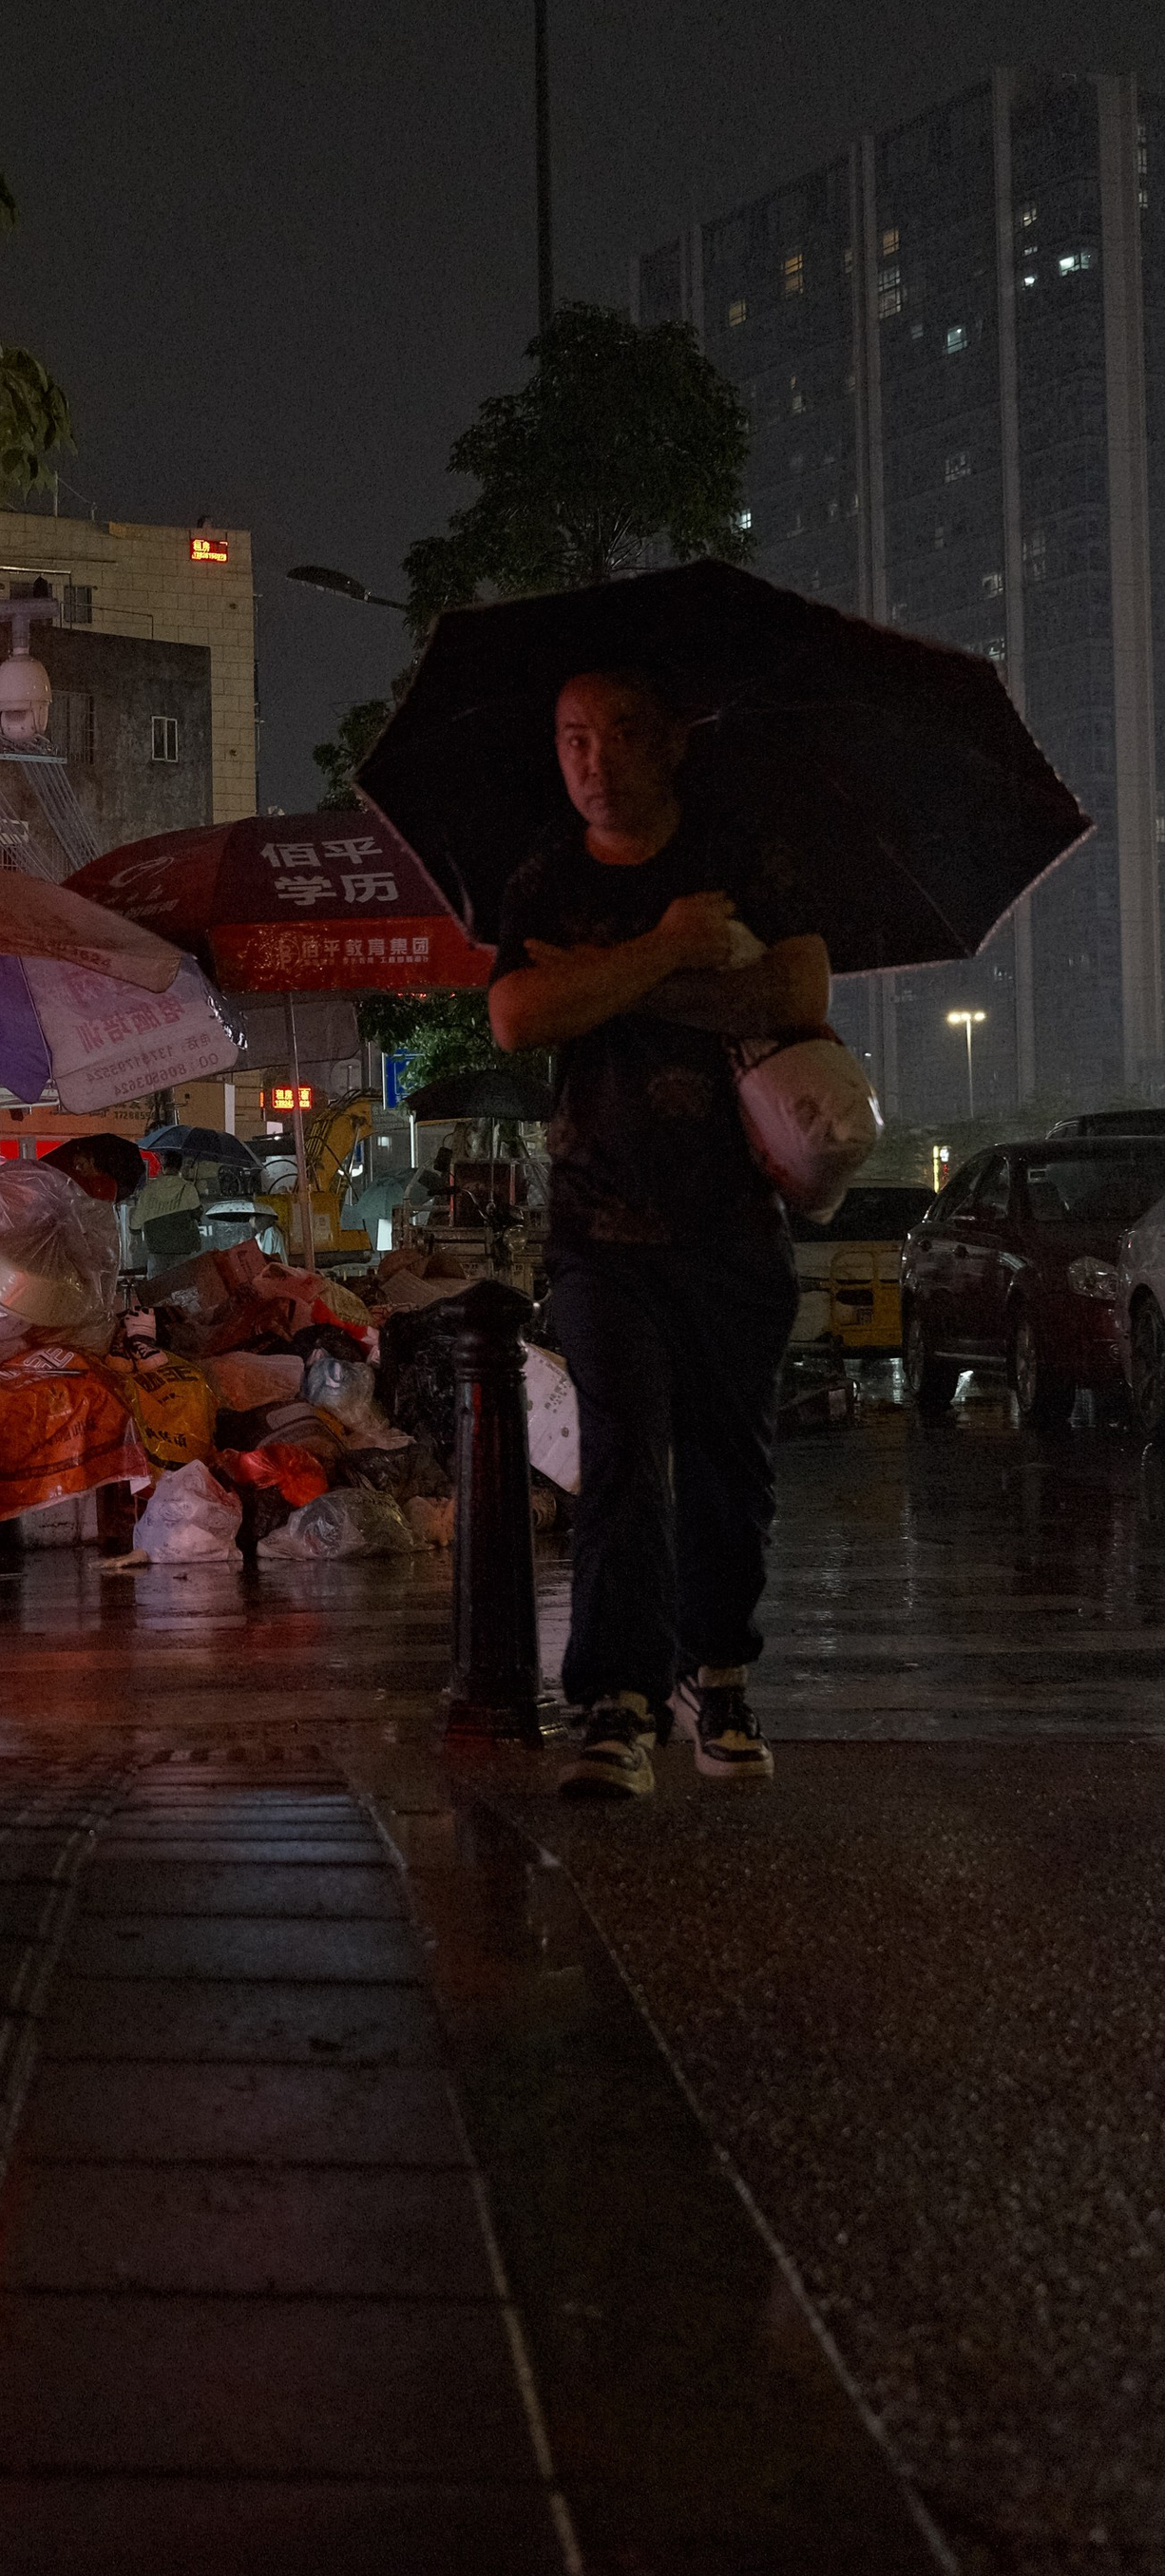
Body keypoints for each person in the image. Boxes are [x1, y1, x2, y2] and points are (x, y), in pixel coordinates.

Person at [487, 670, 831, 1799]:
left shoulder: (740, 856)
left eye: (620, 733)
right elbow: (515, 1016)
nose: (592, 760)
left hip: (733, 1218)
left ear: (673, 743)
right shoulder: (543, 872)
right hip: (597, 1225)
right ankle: (616, 1702)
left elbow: (794, 995)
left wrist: (607, 981)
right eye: (570, 736)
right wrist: (675, 949)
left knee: (730, 1466)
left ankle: (717, 1674)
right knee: (623, 1459)